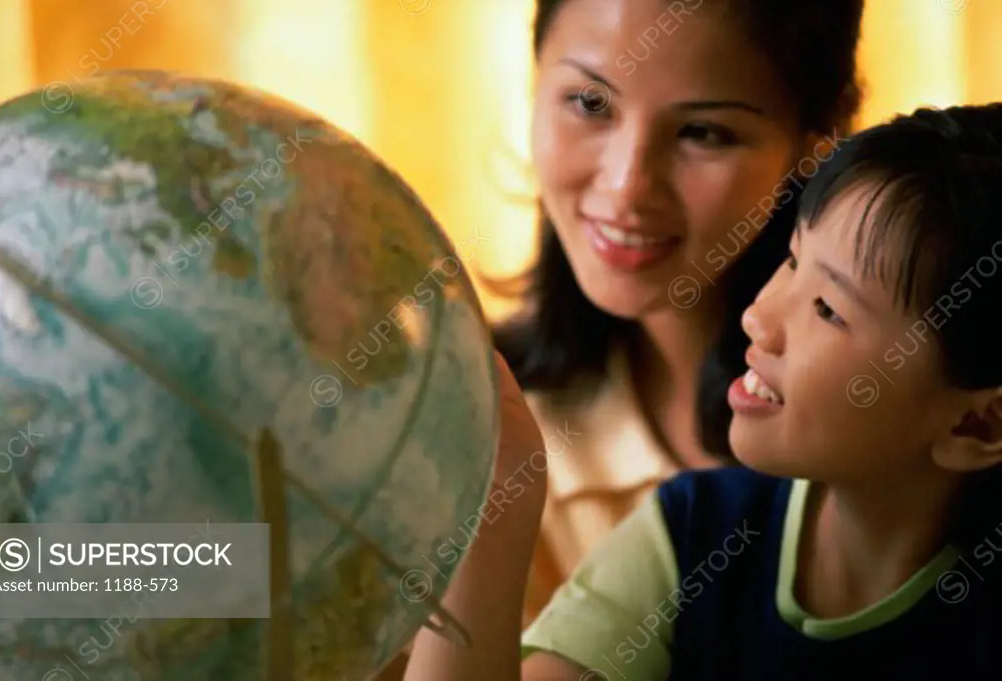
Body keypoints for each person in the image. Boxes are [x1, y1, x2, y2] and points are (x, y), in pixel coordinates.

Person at [406, 102, 1002, 680]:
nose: (758, 318)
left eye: (828, 308)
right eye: (793, 261)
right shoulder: (690, 537)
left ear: (978, 426)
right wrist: (486, 514)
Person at [489, 0, 864, 622]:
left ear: (812, 149)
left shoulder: (884, 424)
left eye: (704, 132)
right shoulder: (477, 413)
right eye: (589, 103)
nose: (626, 187)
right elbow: (274, 634)